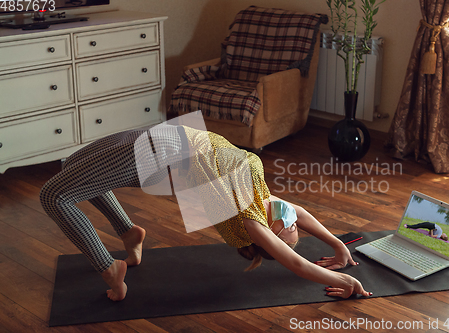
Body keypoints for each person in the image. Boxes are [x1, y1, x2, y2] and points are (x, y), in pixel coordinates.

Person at [40, 123, 371, 301]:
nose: (290, 215)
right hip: (168, 137)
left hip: (158, 154)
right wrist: (338, 245)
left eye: (286, 225)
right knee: (70, 167)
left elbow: (297, 264)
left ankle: (109, 267)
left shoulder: (249, 220)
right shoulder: (265, 201)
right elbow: (301, 212)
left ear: (271, 234)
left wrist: (344, 280)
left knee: (53, 196)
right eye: (291, 220)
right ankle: (128, 231)